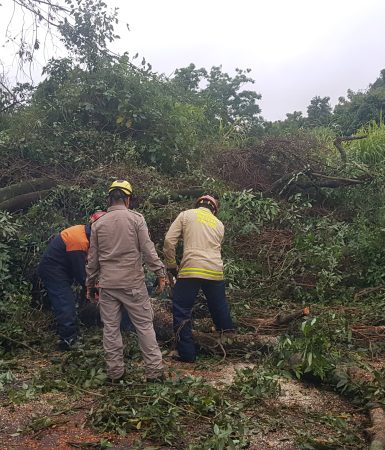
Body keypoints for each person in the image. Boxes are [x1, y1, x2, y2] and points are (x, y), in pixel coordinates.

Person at [86, 180, 167, 382]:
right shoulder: (136, 220)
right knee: (144, 327)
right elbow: (148, 251)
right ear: (128, 199)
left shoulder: (98, 224)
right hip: (133, 284)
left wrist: (89, 284)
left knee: (111, 329)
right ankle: (155, 374)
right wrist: (160, 272)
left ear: (109, 198)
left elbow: (92, 260)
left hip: (108, 286)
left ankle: (115, 374)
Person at [163, 194, 234, 363]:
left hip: (191, 270)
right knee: (219, 307)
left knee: (181, 310)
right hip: (215, 270)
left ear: (197, 204)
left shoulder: (186, 215)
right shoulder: (219, 224)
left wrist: (172, 265)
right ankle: (232, 343)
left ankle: (187, 354)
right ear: (214, 210)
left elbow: (168, 241)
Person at [38, 211, 106, 350]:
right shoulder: (79, 240)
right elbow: (81, 272)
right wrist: (92, 288)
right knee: (65, 302)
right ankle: (68, 341)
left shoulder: (87, 236)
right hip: (53, 271)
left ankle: (68, 333)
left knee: (67, 301)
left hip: (63, 269)